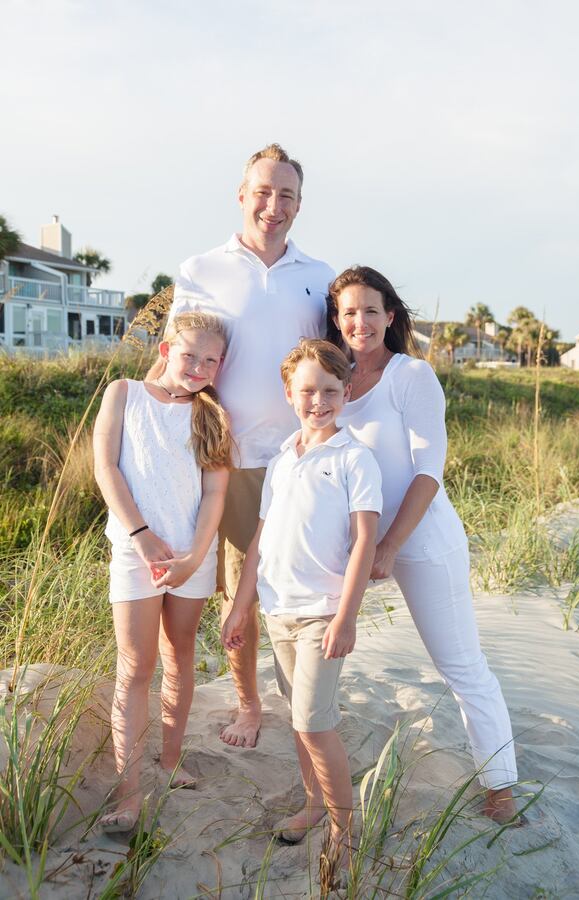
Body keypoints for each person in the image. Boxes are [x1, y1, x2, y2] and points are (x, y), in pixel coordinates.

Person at [326, 266, 520, 824]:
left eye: (369, 310)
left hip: (420, 537)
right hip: (357, 540)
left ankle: (502, 791)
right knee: (319, 645)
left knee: (461, 666)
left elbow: (427, 472)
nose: (358, 322)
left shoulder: (411, 375)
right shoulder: (333, 379)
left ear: (389, 316)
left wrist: (389, 546)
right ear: (336, 320)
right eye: (348, 312)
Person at [169, 143, 334, 748]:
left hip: (297, 457)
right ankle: (247, 703)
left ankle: (305, 707)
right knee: (237, 590)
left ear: (298, 204)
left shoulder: (319, 277)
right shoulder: (199, 270)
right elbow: (178, 364)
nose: (274, 205)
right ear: (242, 196)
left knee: (295, 588)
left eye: (286, 194)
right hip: (225, 460)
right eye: (263, 192)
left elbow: (334, 367)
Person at [222, 339, 381, 872]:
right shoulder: (282, 458)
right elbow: (259, 542)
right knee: (297, 718)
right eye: (308, 391)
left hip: (323, 613)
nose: (319, 401)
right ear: (289, 394)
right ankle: (314, 803)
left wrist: (347, 617)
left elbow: (364, 543)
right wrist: (241, 607)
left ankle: (343, 824)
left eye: (330, 391)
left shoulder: (356, 458)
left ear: (347, 391)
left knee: (314, 722)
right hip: (278, 609)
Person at [93, 311, 232, 831]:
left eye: (210, 360)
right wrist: (142, 536)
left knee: (181, 654)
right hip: (137, 551)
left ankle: (171, 762)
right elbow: (106, 466)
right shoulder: (124, 393)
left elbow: (215, 491)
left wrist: (195, 557)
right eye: (189, 354)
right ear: (166, 349)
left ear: (221, 365)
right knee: (135, 667)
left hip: (192, 556)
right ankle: (129, 794)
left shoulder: (213, 414)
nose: (197, 366)